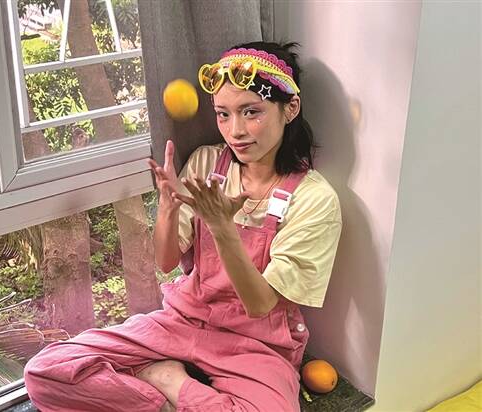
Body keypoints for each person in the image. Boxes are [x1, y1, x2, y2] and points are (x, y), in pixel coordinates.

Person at [24, 41, 342, 412]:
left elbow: (260, 305)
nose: (235, 131)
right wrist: (168, 205)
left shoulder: (314, 199)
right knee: (46, 371)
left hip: (256, 345)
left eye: (251, 112)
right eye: (223, 114)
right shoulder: (207, 163)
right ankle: (173, 396)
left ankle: (167, 380)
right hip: (183, 321)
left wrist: (222, 227)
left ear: (290, 108)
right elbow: (165, 261)